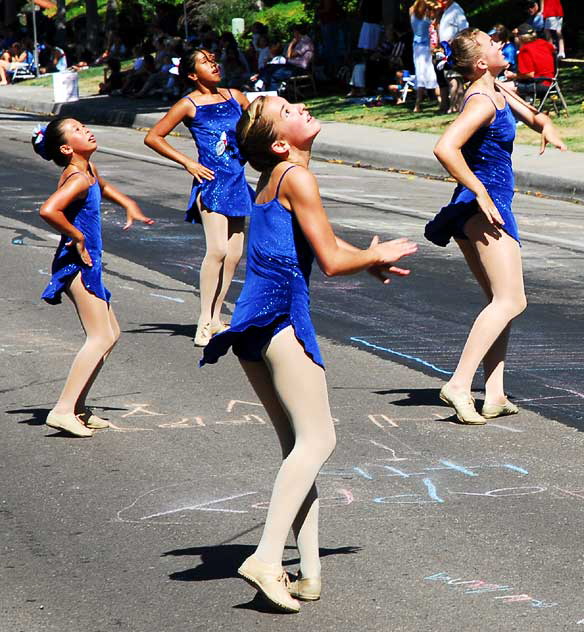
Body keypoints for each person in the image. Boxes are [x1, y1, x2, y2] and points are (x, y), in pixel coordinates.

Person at [201, 95, 417, 612]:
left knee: (299, 450)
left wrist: (361, 258)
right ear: (280, 141)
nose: (300, 106)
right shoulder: (295, 176)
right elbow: (332, 260)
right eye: (289, 109)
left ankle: (310, 574)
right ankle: (265, 556)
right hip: (279, 319)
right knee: (319, 440)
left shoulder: (277, 177)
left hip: (253, 321)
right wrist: (374, 254)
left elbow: (328, 247)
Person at [424, 28, 566, 424]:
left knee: (500, 302)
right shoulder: (483, 102)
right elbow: (444, 147)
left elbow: (535, 115)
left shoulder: (499, 89)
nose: (501, 44)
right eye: (492, 43)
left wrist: (547, 127)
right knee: (511, 300)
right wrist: (481, 193)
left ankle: (495, 392)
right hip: (483, 208)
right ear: (482, 62)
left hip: (484, 207)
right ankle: (458, 383)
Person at [32, 118, 154, 437]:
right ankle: (62, 410)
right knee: (99, 336)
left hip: (89, 263)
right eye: (76, 130)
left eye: (83, 125)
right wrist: (77, 235)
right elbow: (48, 210)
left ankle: (78, 408)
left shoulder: (88, 171)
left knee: (111, 333)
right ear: (66, 148)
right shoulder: (77, 179)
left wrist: (127, 202)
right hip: (77, 264)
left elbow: (103, 186)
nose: (85, 129)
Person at [145, 49, 254, 347]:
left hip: (237, 181)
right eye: (206, 62)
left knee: (233, 255)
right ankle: (204, 320)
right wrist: (189, 163)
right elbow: (153, 136)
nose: (214, 64)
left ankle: (218, 317)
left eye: (214, 60)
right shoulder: (188, 104)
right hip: (212, 184)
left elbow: (257, 125)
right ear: (193, 75)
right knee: (217, 250)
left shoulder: (235, 96)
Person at [505, 24, 556, 100]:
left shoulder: (525, 50)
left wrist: (513, 76)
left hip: (539, 84)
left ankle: (523, 110)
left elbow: (529, 74)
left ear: (520, 38)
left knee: (502, 87)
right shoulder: (544, 43)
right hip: (552, 82)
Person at [438, 0, 469, 113]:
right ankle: (456, 106)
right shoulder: (446, 10)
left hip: (453, 50)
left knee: (454, 79)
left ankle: (455, 106)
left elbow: (464, 29)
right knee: (451, 78)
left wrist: (455, 41)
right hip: (446, 50)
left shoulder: (456, 10)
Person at [410, 0, 439, 112]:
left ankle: (417, 104)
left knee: (420, 73)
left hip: (416, 47)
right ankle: (440, 99)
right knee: (431, 72)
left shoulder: (412, 12)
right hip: (427, 47)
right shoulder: (428, 15)